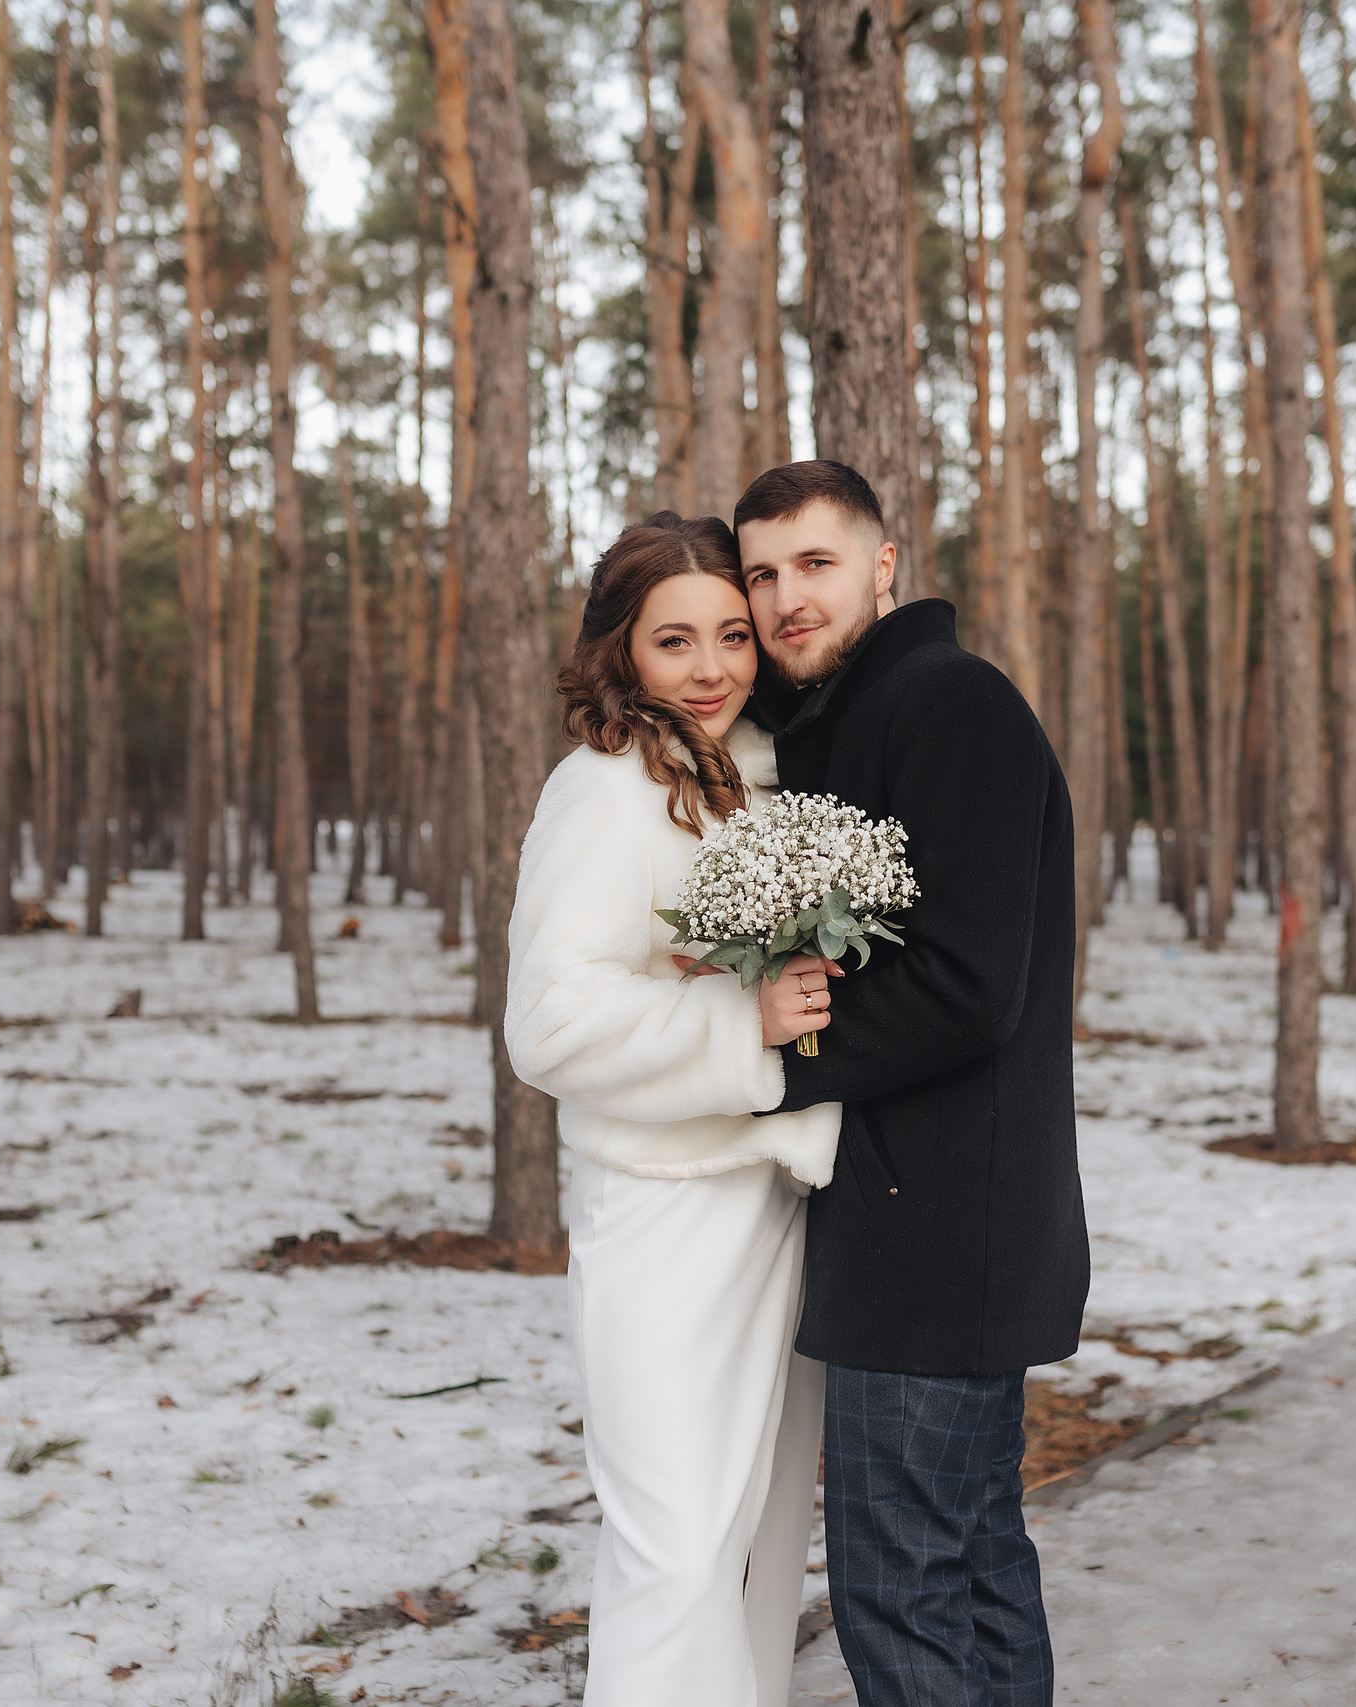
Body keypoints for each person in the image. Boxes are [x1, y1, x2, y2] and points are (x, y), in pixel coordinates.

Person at [736, 460, 1090, 1707]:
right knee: (971, 1556)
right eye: (763, 573)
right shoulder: (840, 727)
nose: (787, 598)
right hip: (921, 1219)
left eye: (815, 564)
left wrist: (772, 1055)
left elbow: (969, 983)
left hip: (943, 1225)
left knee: (901, 1580)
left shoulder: (951, 707)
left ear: (884, 566)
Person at [504, 511, 841, 1707]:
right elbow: (548, 1023)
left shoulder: (762, 772)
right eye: (675, 641)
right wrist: (735, 1023)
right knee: (676, 1545)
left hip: (769, 1199)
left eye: (733, 637)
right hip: (658, 1211)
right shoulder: (599, 790)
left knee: (753, 1549)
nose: (710, 669)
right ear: (621, 652)